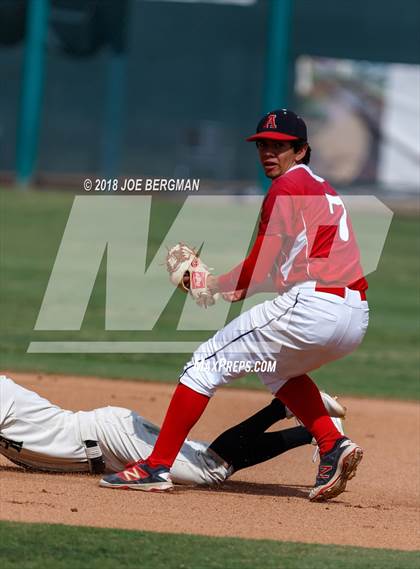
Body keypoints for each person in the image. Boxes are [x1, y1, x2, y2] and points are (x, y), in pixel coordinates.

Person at [101, 109, 369, 501]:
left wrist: (210, 286)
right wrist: (227, 287)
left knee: (204, 364)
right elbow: (274, 270)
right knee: (276, 369)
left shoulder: (285, 188)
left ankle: (156, 466)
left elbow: (260, 266)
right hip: (354, 314)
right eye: (262, 144)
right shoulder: (322, 189)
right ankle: (332, 444)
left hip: (314, 305)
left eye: (279, 146)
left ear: (302, 150)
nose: (268, 152)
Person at [0, 375, 345, 486]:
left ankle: (305, 422)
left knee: (210, 470)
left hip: (106, 437)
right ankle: (298, 417)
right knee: (206, 458)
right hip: (105, 444)